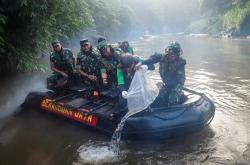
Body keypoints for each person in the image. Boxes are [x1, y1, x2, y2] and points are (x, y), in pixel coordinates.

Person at [136, 42, 186, 106]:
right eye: (171, 54)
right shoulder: (162, 57)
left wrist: (172, 89)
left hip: (176, 85)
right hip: (167, 84)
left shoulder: (181, 62)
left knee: (172, 101)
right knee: (158, 99)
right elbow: (152, 59)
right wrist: (141, 63)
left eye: (174, 54)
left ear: (177, 54)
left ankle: (180, 96)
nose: (172, 56)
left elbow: (179, 79)